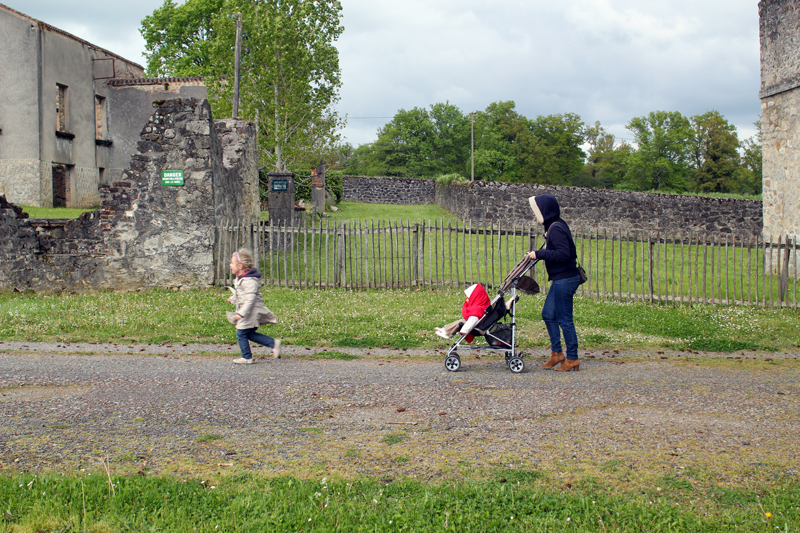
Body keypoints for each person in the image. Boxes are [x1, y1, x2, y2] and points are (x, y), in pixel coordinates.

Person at [527, 194, 581, 372]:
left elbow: (563, 254)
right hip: (560, 279)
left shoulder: (556, 228)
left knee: (565, 319)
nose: (535, 216)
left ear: (545, 211)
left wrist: (539, 253)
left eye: (536, 212)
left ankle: (572, 358)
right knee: (548, 314)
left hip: (565, 279)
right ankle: (557, 353)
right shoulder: (554, 226)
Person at [227, 248, 280, 364]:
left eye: (232, 263)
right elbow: (241, 294)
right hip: (247, 311)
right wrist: (233, 299)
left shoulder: (249, 281)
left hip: (250, 312)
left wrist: (241, 313)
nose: (230, 265)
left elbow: (250, 299)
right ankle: (273, 343)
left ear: (240, 266)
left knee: (241, 333)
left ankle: (247, 357)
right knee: (249, 333)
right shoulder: (240, 278)